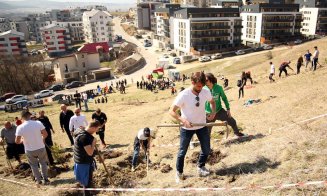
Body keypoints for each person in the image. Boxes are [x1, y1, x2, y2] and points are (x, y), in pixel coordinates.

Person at [169, 72, 216, 183]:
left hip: (201, 125)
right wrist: (183, 120)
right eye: (198, 86)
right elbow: (171, 111)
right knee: (182, 152)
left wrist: (213, 112)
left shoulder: (205, 91)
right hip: (187, 128)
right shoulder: (184, 95)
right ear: (192, 83)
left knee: (206, 149)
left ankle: (200, 167)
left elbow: (212, 102)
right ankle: (179, 173)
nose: (201, 88)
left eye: (202, 86)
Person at [204, 73, 246, 140]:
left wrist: (228, 109)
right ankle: (207, 147)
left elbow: (224, 98)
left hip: (219, 111)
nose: (204, 82)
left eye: (206, 80)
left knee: (232, 121)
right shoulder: (203, 89)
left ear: (211, 80)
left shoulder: (218, 88)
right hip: (208, 114)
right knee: (206, 132)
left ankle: (237, 133)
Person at [15, 111, 49, 185]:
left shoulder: (20, 127)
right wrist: (42, 139)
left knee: (33, 165)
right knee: (43, 163)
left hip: (29, 149)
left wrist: (22, 140)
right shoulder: (38, 123)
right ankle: (45, 179)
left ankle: (38, 180)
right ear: (30, 116)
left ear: (22, 117)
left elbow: (17, 141)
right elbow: (45, 134)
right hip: (40, 147)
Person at [74, 121, 101, 196]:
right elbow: (90, 152)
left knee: (87, 181)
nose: (97, 131)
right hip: (83, 163)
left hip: (83, 161)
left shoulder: (83, 132)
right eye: (97, 129)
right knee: (86, 182)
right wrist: (93, 142)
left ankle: (89, 193)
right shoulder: (84, 137)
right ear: (92, 128)